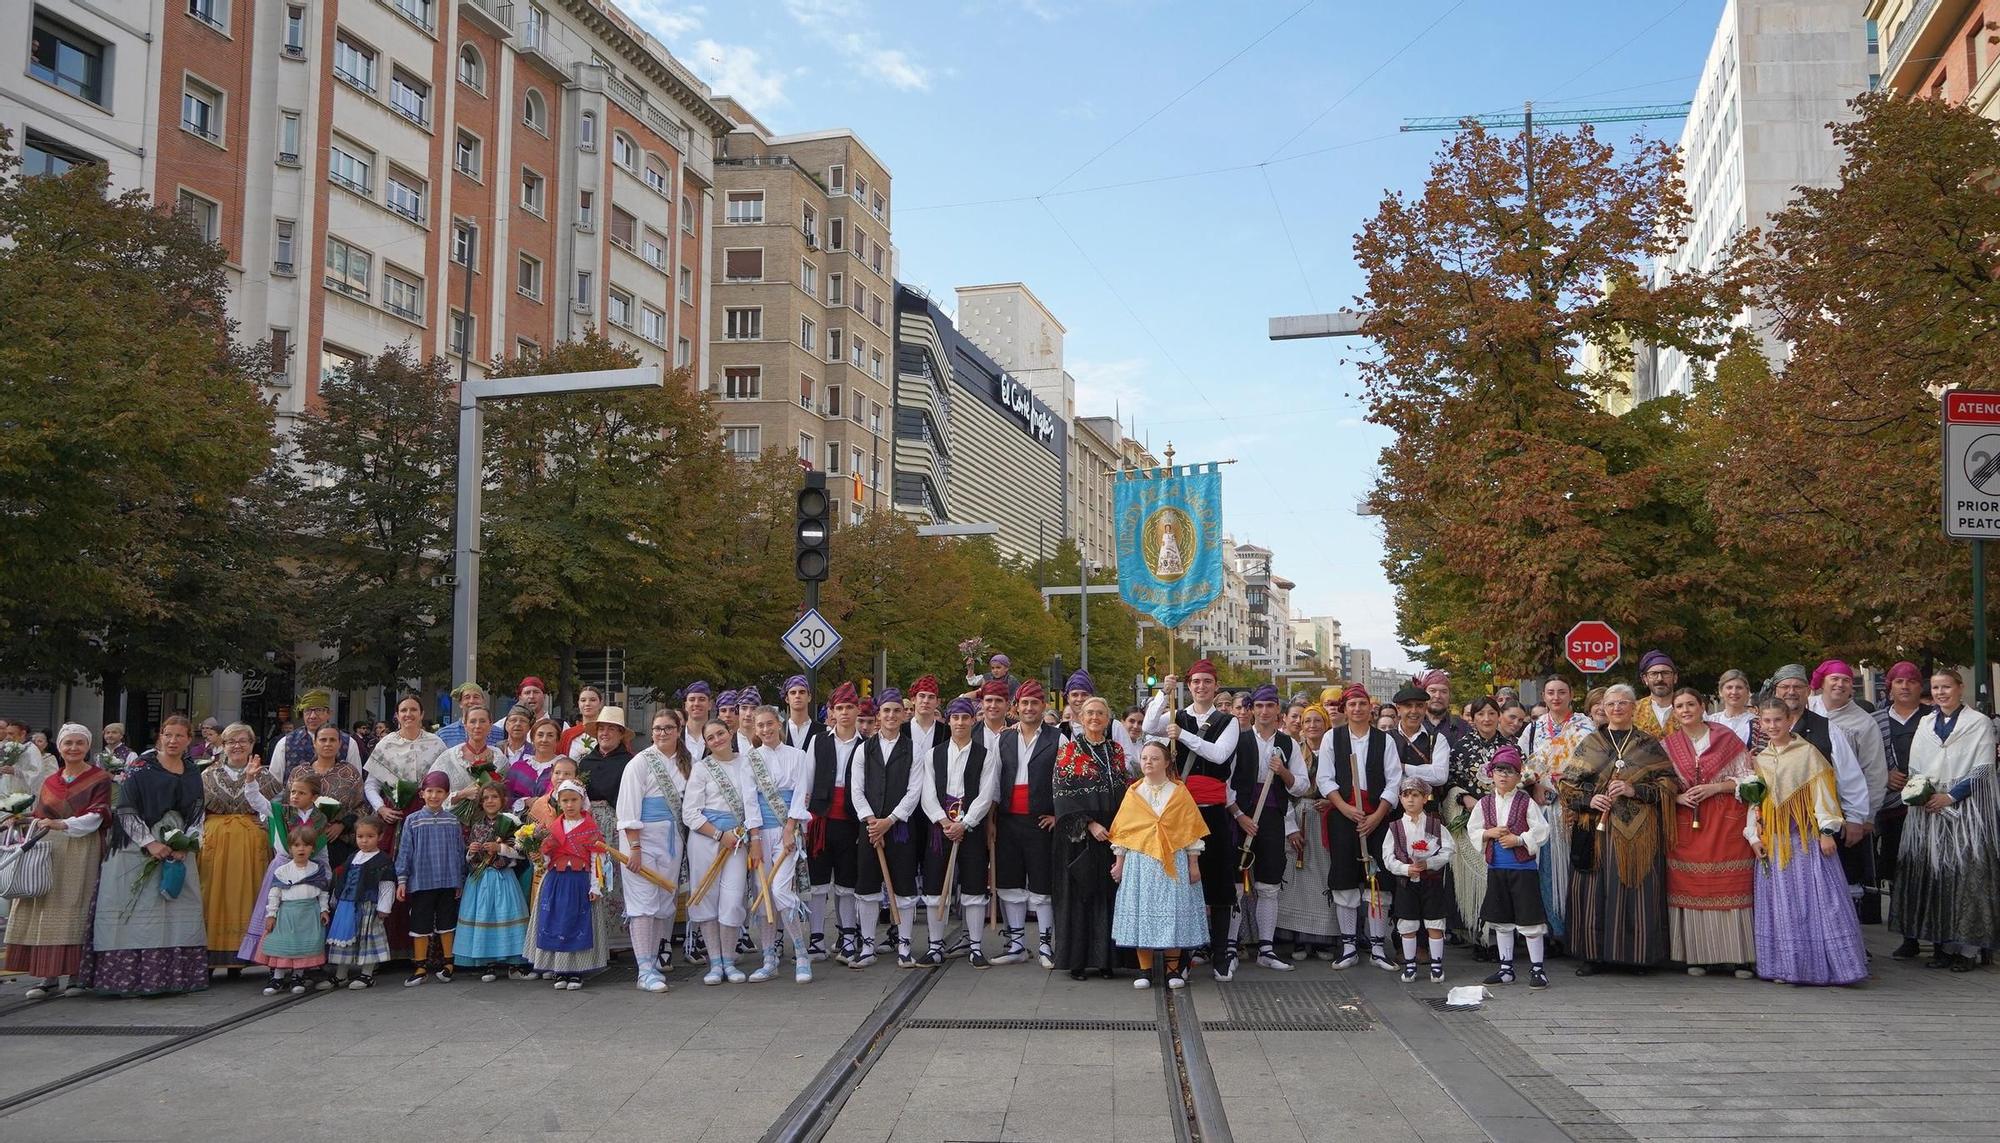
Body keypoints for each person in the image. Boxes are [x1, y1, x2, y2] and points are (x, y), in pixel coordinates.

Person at [81, 715, 208, 997]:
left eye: (179, 736)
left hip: (176, 848)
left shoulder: (191, 772)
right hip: (135, 849)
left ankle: (171, 976)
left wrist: (185, 844)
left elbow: (198, 812)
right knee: (134, 910)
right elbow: (125, 808)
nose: (173, 741)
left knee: (172, 911)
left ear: (189, 739)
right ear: (160, 736)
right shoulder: (140, 767)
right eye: (168, 735)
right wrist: (150, 843)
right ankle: (128, 978)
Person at [1746, 697, 1869, 986]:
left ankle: (1826, 966)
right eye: (1767, 721)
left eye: (1778, 720)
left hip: (1804, 839)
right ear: (1761, 724)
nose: (1773, 725)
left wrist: (1827, 831)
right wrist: (1754, 835)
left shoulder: (1809, 754)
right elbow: (1756, 803)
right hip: (1774, 842)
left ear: (1790, 720)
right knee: (1780, 904)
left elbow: (1823, 796)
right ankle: (1785, 966)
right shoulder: (1761, 759)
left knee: (1816, 901)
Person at [1888, 669, 2000, 971]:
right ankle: (1943, 945)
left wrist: (1950, 797)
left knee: (1967, 878)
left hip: (1966, 813)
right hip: (1929, 813)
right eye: (1936, 688)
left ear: (1959, 688)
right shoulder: (1926, 723)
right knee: (1937, 878)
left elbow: (1982, 768)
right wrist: (1924, 794)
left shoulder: (1978, 723)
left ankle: (1968, 950)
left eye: (1946, 687)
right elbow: (1916, 765)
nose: (1940, 692)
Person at [1560, 685, 1676, 975]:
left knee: (1636, 890)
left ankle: (1636, 956)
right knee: (1593, 891)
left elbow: (1670, 784)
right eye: (1611, 703)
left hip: (1638, 832)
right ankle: (1592, 956)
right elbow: (1567, 785)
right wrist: (1590, 799)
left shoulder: (1648, 744)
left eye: (1623, 703)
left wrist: (1633, 789)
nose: (1617, 708)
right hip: (1595, 830)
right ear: (1603, 707)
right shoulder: (1590, 742)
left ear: (1634, 707)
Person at [1143, 659, 1242, 979]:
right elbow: (1147, 727)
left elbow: (1217, 755)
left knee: (1219, 879)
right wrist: (1162, 693)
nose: (1201, 687)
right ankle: (1182, 956)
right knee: (1184, 882)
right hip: (1181, 809)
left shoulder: (1227, 721)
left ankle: (1221, 953)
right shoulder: (1177, 712)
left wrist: (1183, 735)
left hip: (1213, 808)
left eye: (1207, 682)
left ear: (1215, 686)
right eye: (1195, 681)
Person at [3, 724, 112, 997]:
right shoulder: (51, 780)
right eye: (68, 743)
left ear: (88, 747)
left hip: (81, 848)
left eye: (79, 743)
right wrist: (20, 818)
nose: (73, 748)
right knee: (45, 909)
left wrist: (63, 824)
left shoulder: (99, 778)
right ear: (60, 747)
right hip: (49, 848)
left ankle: (76, 976)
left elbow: (98, 816)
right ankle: (48, 977)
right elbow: (42, 814)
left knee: (76, 907)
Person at [1661, 687, 1756, 978]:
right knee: (1690, 884)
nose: (1686, 709)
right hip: (1686, 821)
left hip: (1725, 818)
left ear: (1703, 706)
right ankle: (1696, 956)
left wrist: (1715, 787)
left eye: (1691, 704)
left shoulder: (1726, 738)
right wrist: (1677, 797)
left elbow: (1748, 779)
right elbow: (1661, 783)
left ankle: (1739, 957)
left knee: (1729, 884)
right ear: (1674, 712)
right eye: (1680, 706)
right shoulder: (1668, 745)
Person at [1770, 664, 1875, 923]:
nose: (1791, 692)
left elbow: (1850, 776)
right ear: (1776, 691)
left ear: (1808, 690)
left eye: (1797, 686)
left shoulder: (1826, 728)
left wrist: (1855, 817)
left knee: (1828, 894)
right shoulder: (1765, 728)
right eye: (1785, 687)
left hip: (1820, 827)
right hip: (1778, 829)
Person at [1112, 739, 1209, 990]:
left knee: (1173, 913)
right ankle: (1145, 970)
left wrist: (1194, 863)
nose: (1148, 762)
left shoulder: (1179, 793)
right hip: (1140, 862)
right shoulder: (1134, 793)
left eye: (1155, 758)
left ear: (1167, 763)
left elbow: (1191, 832)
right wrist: (1119, 862)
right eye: (1145, 758)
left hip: (1173, 860)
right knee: (1141, 912)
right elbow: (1124, 832)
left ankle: (1172, 969)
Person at [1318, 684, 1401, 971]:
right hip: (1344, 813)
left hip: (1376, 815)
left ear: (1370, 708)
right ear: (1344, 708)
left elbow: (1394, 780)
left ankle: (1378, 946)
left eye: (1362, 704)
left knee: (1378, 879)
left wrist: (1378, 815)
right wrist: (1344, 807)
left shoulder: (1385, 740)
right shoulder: (1333, 738)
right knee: (1344, 878)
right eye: (1351, 704)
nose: (1357, 709)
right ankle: (1349, 945)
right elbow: (1325, 778)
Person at [1807, 660, 1890, 924]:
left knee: (1844, 878)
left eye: (1845, 680)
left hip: (1845, 811)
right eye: (1835, 679)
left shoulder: (1863, 723)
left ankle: (1849, 939)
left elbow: (1875, 772)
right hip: (1805, 809)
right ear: (1822, 683)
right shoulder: (1806, 710)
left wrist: (1865, 818)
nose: (1840, 684)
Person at [1232, 684, 1307, 972]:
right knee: (1236, 884)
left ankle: (1266, 948)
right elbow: (1226, 784)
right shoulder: (1239, 740)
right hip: (1242, 817)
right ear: (1252, 710)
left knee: (1269, 884)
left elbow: (1301, 785)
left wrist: (1283, 771)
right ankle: (1230, 946)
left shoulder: (1288, 744)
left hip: (1273, 817)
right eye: (1259, 706)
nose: (1264, 711)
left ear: (1279, 711)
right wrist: (1239, 815)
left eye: (1270, 706)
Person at [1051, 697, 1126, 981]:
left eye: (1101, 713)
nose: (1095, 717)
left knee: (1108, 895)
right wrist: (1090, 824)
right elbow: (1061, 795)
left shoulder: (1116, 751)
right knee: (1080, 897)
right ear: (1081, 719)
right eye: (1090, 713)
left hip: (1111, 833)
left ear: (1108, 719)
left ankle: (1107, 959)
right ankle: (1078, 962)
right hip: (1078, 834)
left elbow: (1124, 792)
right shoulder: (1068, 751)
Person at [919, 697, 997, 967]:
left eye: (965, 718)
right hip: (940, 829)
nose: (960, 723)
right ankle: (935, 946)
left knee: (974, 885)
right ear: (948, 720)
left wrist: (965, 823)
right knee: (934, 886)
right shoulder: (933, 754)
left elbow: (986, 794)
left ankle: (975, 946)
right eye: (955, 718)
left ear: (973, 721)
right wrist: (944, 822)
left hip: (970, 829)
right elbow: (926, 793)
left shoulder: (985, 755)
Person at [198, 722, 283, 970]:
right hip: (216, 844)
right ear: (222, 746)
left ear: (252, 744)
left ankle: (247, 953)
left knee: (251, 894)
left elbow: (276, 810)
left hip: (251, 844)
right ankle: (212, 954)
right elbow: (197, 812)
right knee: (213, 895)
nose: (237, 746)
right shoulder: (207, 775)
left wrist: (266, 826)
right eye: (231, 741)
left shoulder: (266, 776)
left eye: (243, 741)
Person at [1519, 677, 1595, 950]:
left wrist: (1572, 789)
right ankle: (1552, 929)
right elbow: (1523, 765)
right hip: (1543, 805)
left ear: (1571, 694)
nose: (1556, 697)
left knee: (1577, 865)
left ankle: (1579, 930)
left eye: (1562, 692)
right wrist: (1534, 785)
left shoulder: (1585, 726)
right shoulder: (1534, 728)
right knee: (1547, 867)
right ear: (1543, 695)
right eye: (1550, 692)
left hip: (1576, 804)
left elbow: (1595, 765)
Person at [619, 709, 692, 992]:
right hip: (641, 841)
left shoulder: (687, 763)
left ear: (678, 730)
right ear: (651, 732)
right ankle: (644, 969)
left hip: (672, 840)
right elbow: (628, 809)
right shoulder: (640, 763)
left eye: (668, 728)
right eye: (658, 728)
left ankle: (656, 958)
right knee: (643, 904)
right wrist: (634, 847)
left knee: (664, 902)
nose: (662, 733)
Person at [1467, 746, 1551, 990]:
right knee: (1502, 919)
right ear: (1491, 774)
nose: (1504, 776)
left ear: (1518, 776)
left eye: (1510, 772)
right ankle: (1506, 969)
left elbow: (1541, 830)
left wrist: (1519, 839)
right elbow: (1474, 830)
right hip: (1497, 868)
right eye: (1499, 771)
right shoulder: (1484, 803)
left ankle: (1537, 969)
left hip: (1522, 869)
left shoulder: (1526, 802)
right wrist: (1488, 833)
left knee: (1529, 918)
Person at [685, 722, 762, 985]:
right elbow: (690, 813)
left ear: (730, 733)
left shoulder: (748, 762)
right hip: (707, 840)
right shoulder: (701, 768)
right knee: (707, 898)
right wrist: (719, 835)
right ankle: (715, 962)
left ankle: (729, 960)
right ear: (705, 743)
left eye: (720, 733)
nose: (717, 739)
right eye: (710, 737)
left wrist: (748, 836)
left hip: (738, 840)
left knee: (732, 899)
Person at [851, 689, 921, 968]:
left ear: (904, 715)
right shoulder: (863, 749)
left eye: (896, 711)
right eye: (886, 711)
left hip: (900, 827)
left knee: (904, 886)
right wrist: (870, 820)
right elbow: (856, 789)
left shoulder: (914, 750)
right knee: (867, 886)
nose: (891, 716)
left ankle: (904, 944)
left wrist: (890, 820)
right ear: (878, 715)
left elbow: (914, 791)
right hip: (869, 828)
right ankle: (867, 945)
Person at [994, 680, 1062, 968]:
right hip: (1009, 820)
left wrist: (1059, 814)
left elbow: (1066, 782)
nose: (1030, 708)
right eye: (1025, 703)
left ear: (1044, 706)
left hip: (1041, 821)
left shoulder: (1059, 739)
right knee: (1009, 883)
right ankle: (1017, 945)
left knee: (1042, 886)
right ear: (1016, 707)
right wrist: (990, 820)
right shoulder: (1003, 738)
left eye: (1035, 703)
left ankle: (1046, 945)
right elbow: (993, 781)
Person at [746, 706, 814, 983]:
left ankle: (801, 954)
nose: (765, 729)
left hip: (787, 831)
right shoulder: (751, 759)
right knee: (764, 899)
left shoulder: (798, 756)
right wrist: (755, 839)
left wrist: (790, 830)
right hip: (761, 833)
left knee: (781, 891)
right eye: (760, 725)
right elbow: (750, 800)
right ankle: (769, 959)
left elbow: (800, 793)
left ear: (779, 724)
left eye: (769, 724)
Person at [808, 684, 868, 965]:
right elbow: (807, 780)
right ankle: (816, 937)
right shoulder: (819, 741)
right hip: (821, 822)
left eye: (849, 708)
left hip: (850, 823)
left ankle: (847, 937)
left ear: (857, 711)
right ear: (832, 712)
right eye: (839, 708)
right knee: (818, 884)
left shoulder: (866, 745)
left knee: (846, 884)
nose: (844, 713)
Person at [533, 779, 612, 989]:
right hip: (557, 881)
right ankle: (560, 970)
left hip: (579, 881)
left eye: (574, 800)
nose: (569, 805)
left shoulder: (590, 828)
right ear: (559, 802)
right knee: (557, 921)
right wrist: (542, 851)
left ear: (582, 800)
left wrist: (595, 885)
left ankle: (577, 970)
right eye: (565, 800)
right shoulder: (554, 827)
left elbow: (597, 857)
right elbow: (546, 859)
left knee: (577, 922)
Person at [1445, 698, 1508, 958]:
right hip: (1472, 819)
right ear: (1473, 717)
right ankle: (1479, 936)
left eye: (1491, 713)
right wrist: (1464, 797)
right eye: (1480, 713)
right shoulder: (1461, 747)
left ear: (1498, 716)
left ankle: (1498, 937)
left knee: (1499, 877)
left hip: (1505, 817)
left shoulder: (1509, 746)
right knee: (1476, 878)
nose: (1486, 719)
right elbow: (1447, 781)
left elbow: (1522, 776)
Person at [1277, 703, 1339, 960]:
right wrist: (1290, 826)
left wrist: (1333, 801)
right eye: (1307, 721)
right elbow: (1284, 788)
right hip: (1297, 814)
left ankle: (1323, 937)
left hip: (1326, 816)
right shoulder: (1294, 751)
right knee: (1296, 875)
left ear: (1325, 724)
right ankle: (1299, 938)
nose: (1312, 725)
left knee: (1323, 875)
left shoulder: (1333, 750)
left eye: (1317, 720)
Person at [395, 771, 467, 987]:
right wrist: (402, 879)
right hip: (422, 881)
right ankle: (420, 966)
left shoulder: (453, 821)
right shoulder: (413, 821)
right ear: (422, 793)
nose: (434, 796)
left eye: (439, 792)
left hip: (447, 881)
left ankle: (449, 964)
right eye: (430, 791)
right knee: (420, 922)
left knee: (447, 922)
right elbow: (405, 851)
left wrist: (459, 880)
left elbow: (458, 852)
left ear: (446, 794)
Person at [1382, 776, 1454, 983]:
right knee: (1408, 924)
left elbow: (1448, 850)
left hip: (1431, 883)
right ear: (1400, 799)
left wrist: (1429, 863)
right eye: (1406, 795)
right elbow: (1388, 857)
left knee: (1434, 923)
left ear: (1425, 798)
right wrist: (1406, 868)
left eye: (1415, 795)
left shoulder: (1435, 824)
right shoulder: (1394, 827)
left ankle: (1437, 966)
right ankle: (1410, 965)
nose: (1410, 800)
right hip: (1406, 884)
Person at [1874, 661, 1933, 915]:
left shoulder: (1933, 718)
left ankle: (1932, 930)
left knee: (1928, 868)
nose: (1905, 686)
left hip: (1928, 805)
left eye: (1911, 681)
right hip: (1892, 807)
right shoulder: (1876, 720)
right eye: (1899, 681)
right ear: (1890, 687)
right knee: (1898, 869)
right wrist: (1883, 775)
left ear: (1920, 687)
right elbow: (1864, 760)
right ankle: (1906, 933)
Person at [457, 784, 529, 981]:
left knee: (506, 916)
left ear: (503, 799)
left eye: (494, 797)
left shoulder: (512, 821)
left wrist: (500, 848)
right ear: (481, 802)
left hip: (503, 877)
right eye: (486, 798)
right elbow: (468, 857)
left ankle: (514, 965)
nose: (490, 801)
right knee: (484, 917)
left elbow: (521, 853)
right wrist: (471, 851)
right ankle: (487, 963)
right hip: (479, 880)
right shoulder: (476, 823)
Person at [574, 706, 633, 942]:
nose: (605, 733)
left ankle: (616, 938)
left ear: (620, 734)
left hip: (615, 825)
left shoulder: (629, 762)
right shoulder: (585, 762)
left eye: (611, 729)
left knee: (613, 878)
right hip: (588, 825)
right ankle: (593, 936)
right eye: (601, 728)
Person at [256, 828, 331, 995]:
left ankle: (298, 976)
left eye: (306, 845)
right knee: (285, 945)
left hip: (309, 913)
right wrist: (271, 914)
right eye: (296, 845)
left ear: (313, 848)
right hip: (287, 914)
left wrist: (323, 910)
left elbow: (323, 892)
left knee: (303, 946)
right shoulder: (282, 871)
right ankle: (277, 978)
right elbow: (275, 893)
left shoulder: (317, 870)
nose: (301, 849)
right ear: (290, 848)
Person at [325, 816, 396, 989]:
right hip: (347, 905)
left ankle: (367, 974)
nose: (364, 840)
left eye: (369, 836)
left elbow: (387, 885)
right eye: (360, 836)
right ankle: (341, 975)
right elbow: (342, 879)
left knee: (367, 939)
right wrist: (336, 899)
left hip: (368, 906)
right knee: (344, 939)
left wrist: (384, 908)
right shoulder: (352, 858)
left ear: (379, 837)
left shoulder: (382, 861)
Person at [296, 723, 366, 872]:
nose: (328, 744)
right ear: (314, 743)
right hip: (303, 843)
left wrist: (342, 825)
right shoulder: (300, 773)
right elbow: (287, 806)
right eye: (323, 740)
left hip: (337, 843)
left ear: (339, 744)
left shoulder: (350, 773)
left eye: (332, 740)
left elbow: (361, 807)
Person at [270, 690, 362, 780]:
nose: (312, 716)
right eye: (307, 710)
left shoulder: (348, 743)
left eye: (319, 710)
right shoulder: (285, 743)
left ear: (329, 713)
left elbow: (356, 781)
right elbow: (274, 782)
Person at [428, 705, 499, 806]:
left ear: (490, 725)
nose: (477, 726)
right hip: (453, 819)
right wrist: (462, 795)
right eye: (473, 721)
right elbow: (430, 793)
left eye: (482, 721)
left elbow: (504, 796)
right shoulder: (449, 757)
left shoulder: (499, 758)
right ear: (465, 725)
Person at [508, 718, 564, 808]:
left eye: (550, 735)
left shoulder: (565, 767)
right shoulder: (518, 768)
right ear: (533, 739)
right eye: (540, 735)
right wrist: (525, 802)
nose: (544, 740)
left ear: (557, 740)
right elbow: (505, 798)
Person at [438, 684, 507, 749]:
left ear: (483, 701)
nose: (471, 701)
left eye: (476, 697)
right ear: (460, 703)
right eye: (467, 697)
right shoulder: (444, 734)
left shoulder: (500, 734)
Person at [1420, 670, 1471, 749]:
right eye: (1432, 691)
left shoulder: (1463, 728)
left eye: (1444, 692)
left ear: (1449, 696)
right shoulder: (1412, 726)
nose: (1438, 696)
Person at [1633, 651, 1678, 737]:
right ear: (1645, 679)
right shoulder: (1634, 710)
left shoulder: (1689, 708)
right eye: (1653, 674)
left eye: (1665, 673)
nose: (1660, 679)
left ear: (1675, 677)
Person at [1715, 669, 1760, 750]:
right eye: (1729, 687)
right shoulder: (1711, 721)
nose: (1734, 692)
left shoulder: (1757, 723)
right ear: (1720, 692)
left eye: (1739, 687)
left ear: (1747, 692)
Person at [559, 686, 605, 756]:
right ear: (578, 704)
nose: (587, 704)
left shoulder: (608, 733)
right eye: (583, 700)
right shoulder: (567, 735)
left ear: (601, 703)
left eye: (593, 700)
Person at [781, 676, 822, 752]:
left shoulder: (824, 731)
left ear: (809, 697)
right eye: (793, 693)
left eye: (802, 692)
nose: (797, 696)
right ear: (787, 699)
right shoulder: (779, 730)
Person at [680, 683, 715, 758]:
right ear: (685, 705)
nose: (696, 703)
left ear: (710, 705)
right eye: (692, 700)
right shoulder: (676, 736)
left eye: (702, 699)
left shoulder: (718, 737)